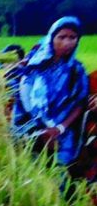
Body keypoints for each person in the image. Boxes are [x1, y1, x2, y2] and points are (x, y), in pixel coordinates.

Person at [8, 16, 88, 167]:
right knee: (24, 171)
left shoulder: (77, 71)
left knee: (57, 175)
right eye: (62, 37)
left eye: (73, 37)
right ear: (51, 38)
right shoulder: (31, 65)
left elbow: (79, 104)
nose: (67, 43)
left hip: (60, 134)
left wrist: (59, 128)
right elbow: (8, 81)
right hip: (26, 129)